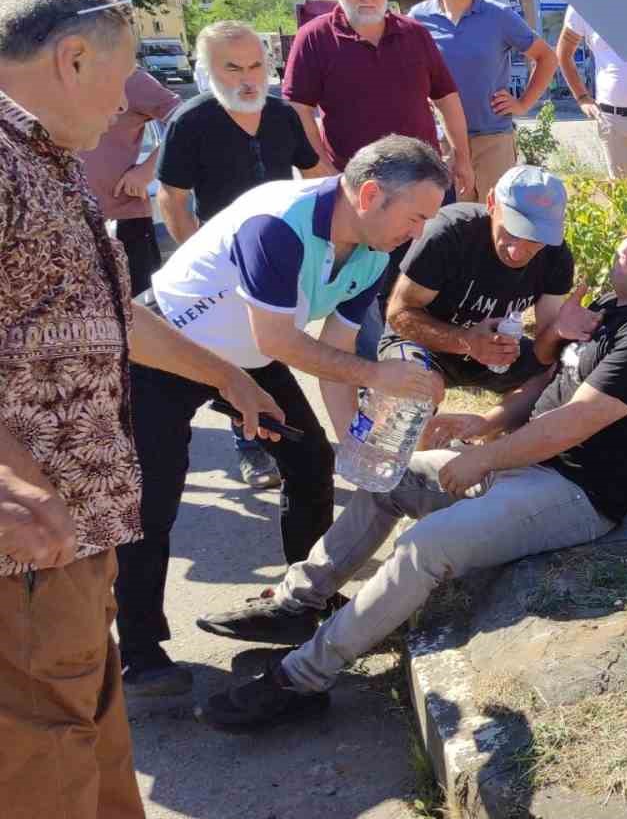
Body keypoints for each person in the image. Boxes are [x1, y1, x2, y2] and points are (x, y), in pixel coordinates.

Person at [193, 205, 627, 730]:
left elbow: (573, 422)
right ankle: (299, 602)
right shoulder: (609, 310)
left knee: (426, 547)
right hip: (526, 464)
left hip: (575, 493)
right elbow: (545, 388)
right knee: (389, 475)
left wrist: (483, 458)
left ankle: (301, 678)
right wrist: (486, 424)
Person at [0, 0, 280, 819]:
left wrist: (226, 376)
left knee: (86, 695)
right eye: (122, 80)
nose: (133, 106)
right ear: (71, 58)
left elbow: (119, 316)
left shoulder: (46, 164)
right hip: (26, 535)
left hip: (75, 523)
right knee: (37, 737)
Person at [115, 135, 450, 696]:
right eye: (416, 217)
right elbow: (280, 337)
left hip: (250, 359)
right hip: (167, 351)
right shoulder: (277, 222)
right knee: (153, 502)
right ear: (370, 195)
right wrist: (379, 377)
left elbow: (334, 352)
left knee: (311, 458)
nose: (417, 233)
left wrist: (355, 444)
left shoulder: (374, 249)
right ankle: (141, 652)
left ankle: (302, 600)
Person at [159, 20, 324, 492]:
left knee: (266, 349)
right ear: (207, 70)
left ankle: (281, 443)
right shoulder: (192, 121)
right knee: (231, 355)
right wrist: (197, 258)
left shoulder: (282, 115)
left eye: (256, 65)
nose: (247, 78)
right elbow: (171, 198)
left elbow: (315, 175)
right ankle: (250, 446)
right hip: (220, 265)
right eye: (232, 68)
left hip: (277, 260)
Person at [378, 165, 578, 400]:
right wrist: (467, 341)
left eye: (536, 239)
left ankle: (492, 432)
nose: (517, 252)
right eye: (511, 231)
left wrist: (561, 330)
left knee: (560, 376)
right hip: (425, 343)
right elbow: (399, 314)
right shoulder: (448, 234)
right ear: (492, 202)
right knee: (418, 388)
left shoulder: (555, 254)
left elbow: (543, 350)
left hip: (493, 351)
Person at [283, 0, 473, 197]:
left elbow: (446, 98)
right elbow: (298, 109)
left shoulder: (415, 34)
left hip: (424, 183)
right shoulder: (314, 38)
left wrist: (462, 157)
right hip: (357, 191)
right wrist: (324, 171)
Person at [410, 0, 557, 202]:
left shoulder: (498, 15)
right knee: (452, 225)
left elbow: (547, 58)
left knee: (495, 220)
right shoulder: (418, 18)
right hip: (444, 144)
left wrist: (523, 104)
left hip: (493, 140)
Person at [79, 67, 180, 292]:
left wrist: (148, 169)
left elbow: (185, 121)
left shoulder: (129, 77)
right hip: (64, 219)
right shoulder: (46, 74)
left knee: (135, 309)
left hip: (123, 218)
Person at [558, 5, 627, 183]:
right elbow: (563, 53)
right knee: (624, 196)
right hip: (612, 120)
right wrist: (582, 98)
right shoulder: (584, 0)